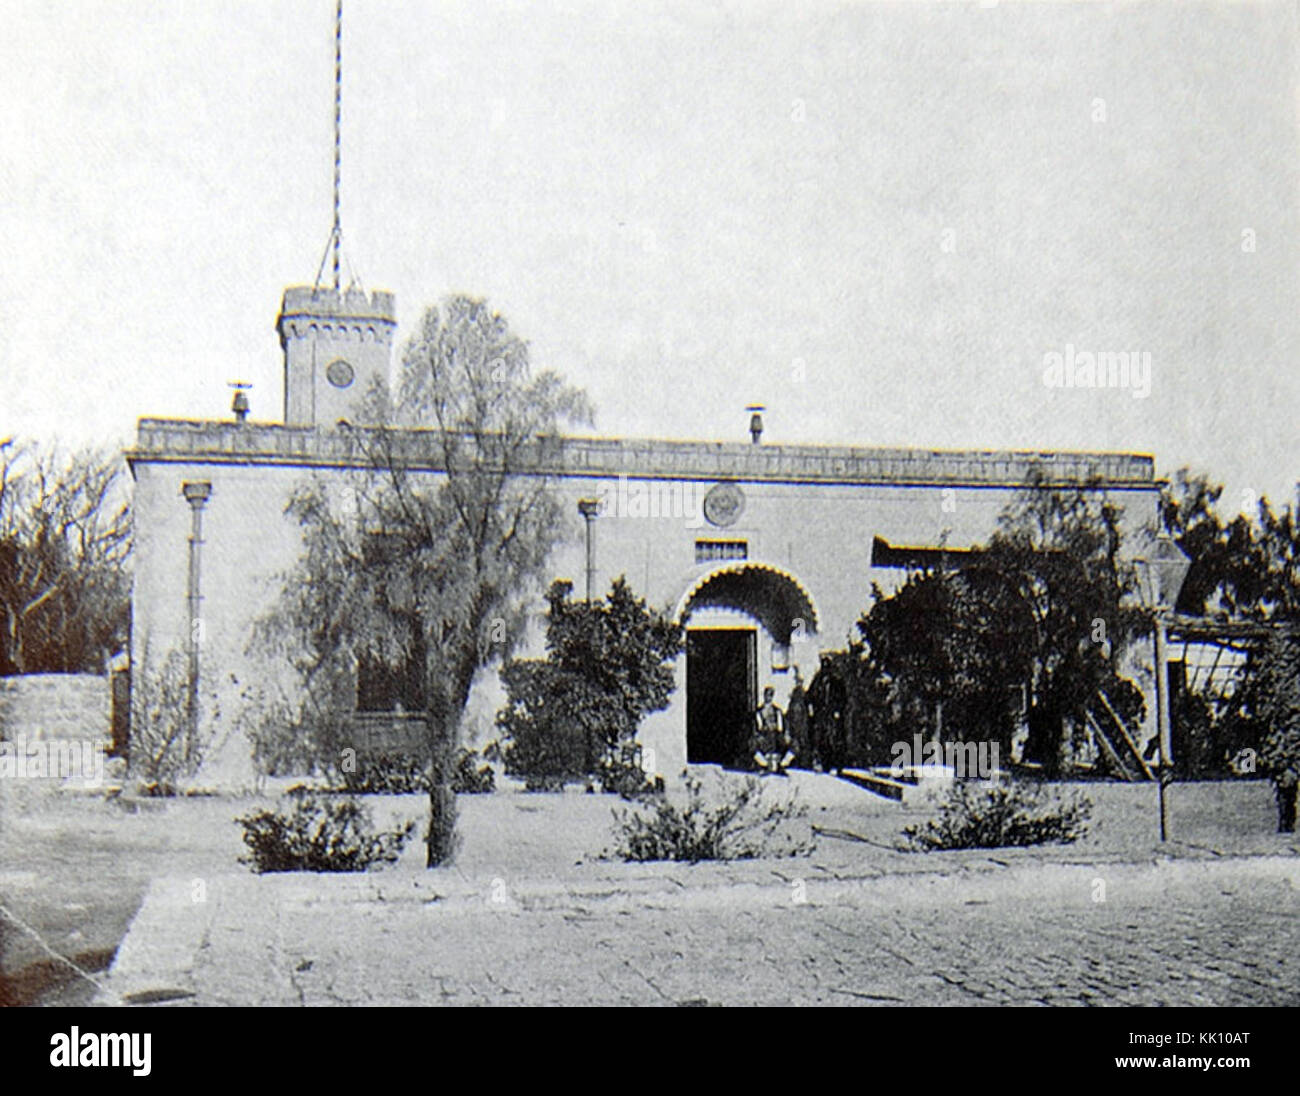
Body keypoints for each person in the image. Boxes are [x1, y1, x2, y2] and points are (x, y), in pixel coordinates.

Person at [753, 686, 794, 775]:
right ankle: (764, 764)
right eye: (767, 695)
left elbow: (782, 725)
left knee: (792, 744)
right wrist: (760, 733)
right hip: (764, 735)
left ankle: (781, 764)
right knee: (754, 745)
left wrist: (786, 733)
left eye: (770, 695)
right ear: (764, 696)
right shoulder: (759, 711)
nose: (768, 697)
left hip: (776, 735)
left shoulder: (777, 710)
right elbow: (757, 726)